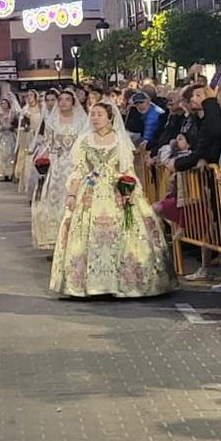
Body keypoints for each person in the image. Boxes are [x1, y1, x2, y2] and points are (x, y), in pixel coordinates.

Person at [50, 100, 174, 300]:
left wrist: (129, 189)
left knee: (127, 234)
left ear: (110, 118)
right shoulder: (85, 140)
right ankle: (88, 283)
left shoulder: (120, 140)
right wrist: (72, 194)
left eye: (99, 114)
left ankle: (125, 280)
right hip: (90, 190)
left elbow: (126, 169)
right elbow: (79, 169)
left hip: (116, 190)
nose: (95, 118)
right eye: (93, 114)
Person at [31, 88, 84, 257]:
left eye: (67, 99)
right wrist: (43, 159)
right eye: (61, 99)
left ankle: (76, 242)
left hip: (75, 166)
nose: (63, 102)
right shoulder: (52, 121)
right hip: (58, 166)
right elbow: (48, 143)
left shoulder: (82, 121)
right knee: (54, 202)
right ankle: (56, 242)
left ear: (73, 102)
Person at [0, 94, 18, 181]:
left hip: (11, 135)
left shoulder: (13, 113)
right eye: (2, 104)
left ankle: (11, 172)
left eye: (5, 103)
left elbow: (17, 123)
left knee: (11, 153)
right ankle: (4, 172)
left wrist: (12, 126)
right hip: (2, 135)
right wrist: (1, 128)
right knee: (2, 154)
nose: (4, 105)